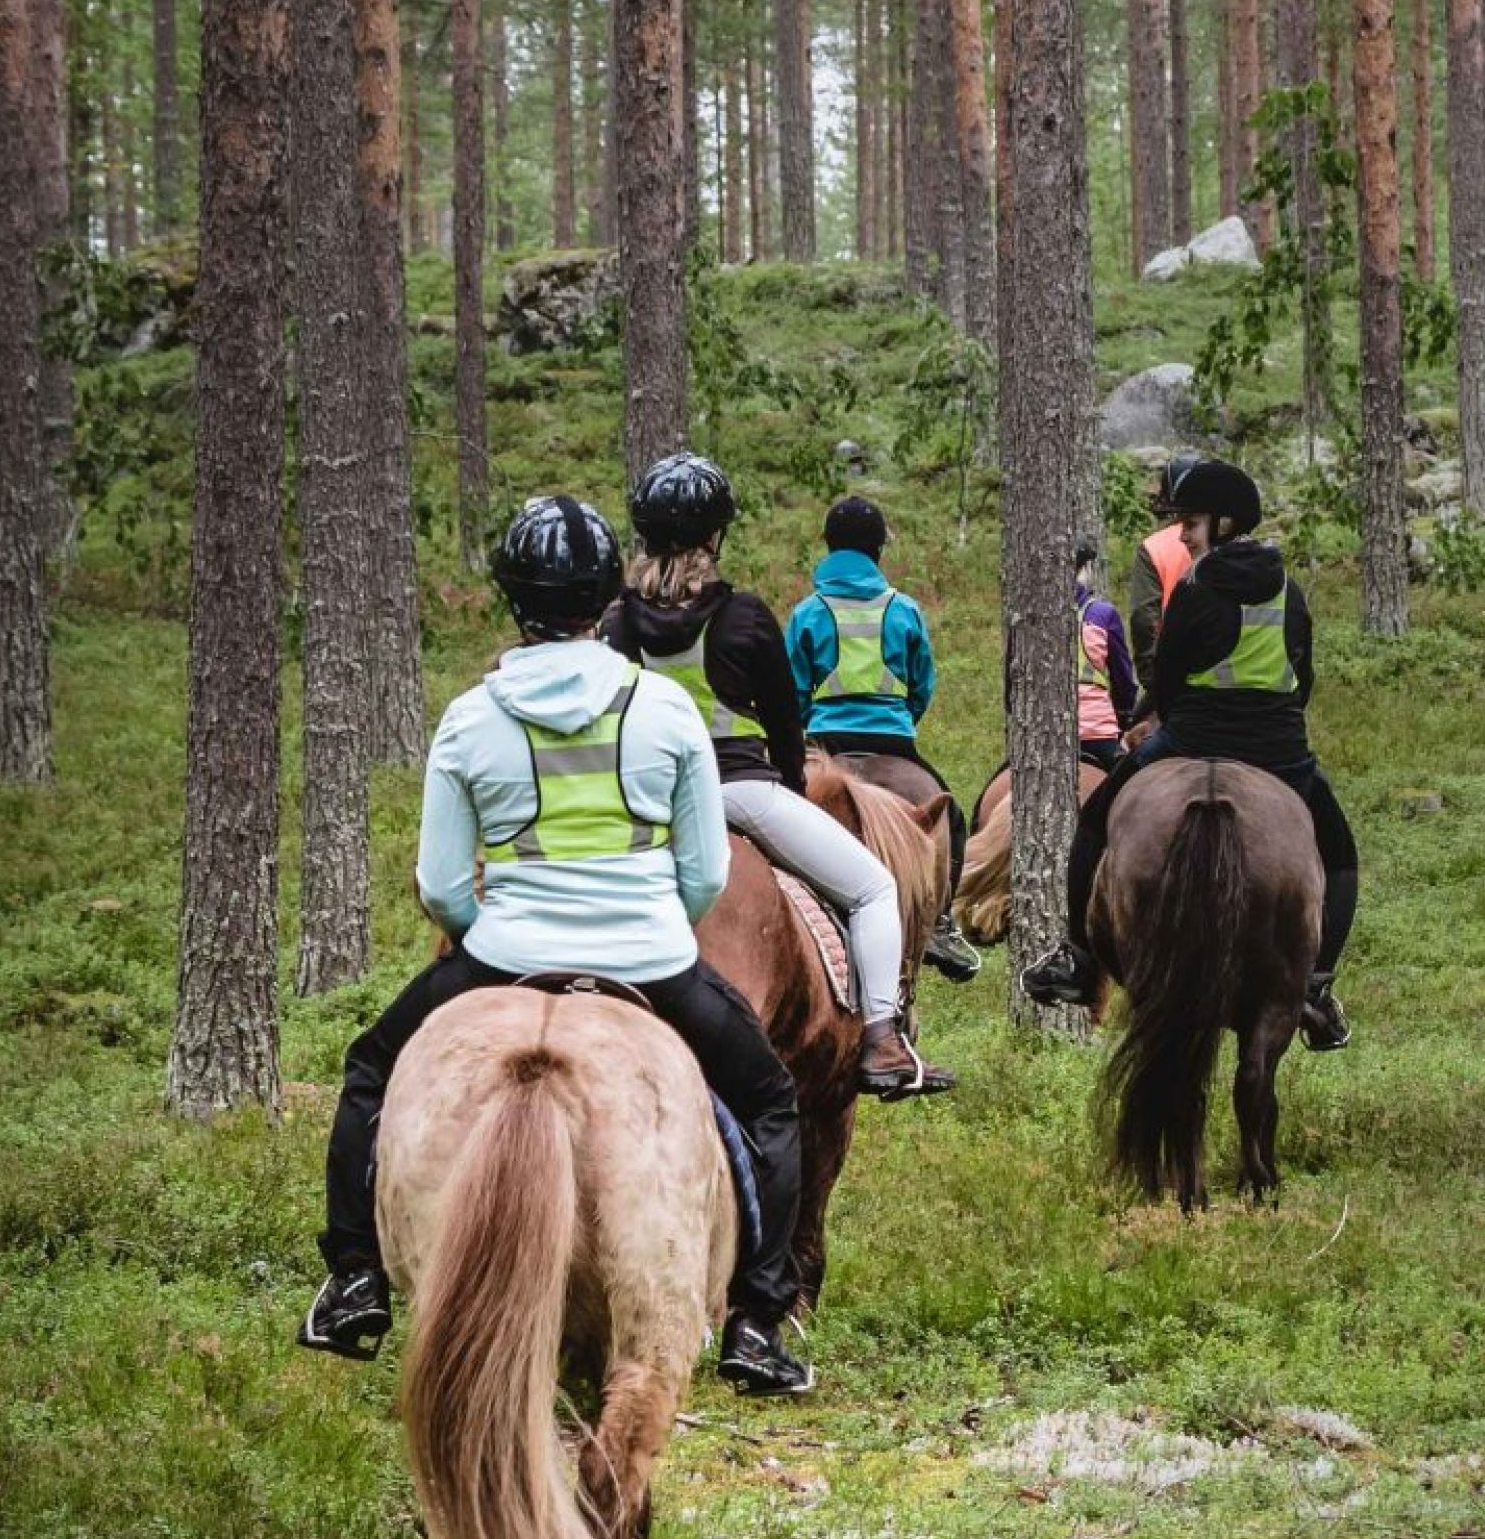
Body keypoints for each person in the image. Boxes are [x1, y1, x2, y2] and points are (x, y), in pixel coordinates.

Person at [304, 494, 816, 1397]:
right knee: (772, 1102)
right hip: (653, 961)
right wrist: (649, 922)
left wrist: (485, 941)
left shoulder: (469, 718)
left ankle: (353, 1279)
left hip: (505, 952)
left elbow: (437, 884)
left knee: (370, 1073)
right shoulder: (663, 712)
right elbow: (703, 875)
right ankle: (759, 1321)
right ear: (601, 594)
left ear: (514, 600)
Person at [600, 452, 955, 1099]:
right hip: (740, 792)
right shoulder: (742, 615)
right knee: (874, 889)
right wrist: (791, 785)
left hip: (645, 804)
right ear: (715, 537)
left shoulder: (617, 624)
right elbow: (786, 719)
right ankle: (882, 1039)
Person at [1022, 460, 1358, 1052]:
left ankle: (1078, 959)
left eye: (1192, 523)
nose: (1183, 535)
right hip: (1278, 749)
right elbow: (1303, 678)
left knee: (1096, 819)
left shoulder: (1195, 588)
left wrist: (1153, 717)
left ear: (1225, 523)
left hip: (1193, 738)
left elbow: (1170, 679)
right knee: (1340, 853)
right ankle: (1317, 985)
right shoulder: (1291, 591)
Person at [784, 496, 982, 983]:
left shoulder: (808, 612)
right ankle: (939, 922)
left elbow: (791, 687)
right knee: (950, 819)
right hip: (892, 740)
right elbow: (923, 684)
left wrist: (811, 723)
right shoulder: (903, 609)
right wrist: (900, 719)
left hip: (825, 740)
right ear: (878, 550)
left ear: (830, 548)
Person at [1125, 451, 1206, 676]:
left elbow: (1143, 619)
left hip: (1175, 673)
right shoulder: (1234, 541)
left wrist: (1152, 679)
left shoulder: (1154, 547)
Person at [1075, 541, 1140, 770]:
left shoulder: (1027, 616)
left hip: (1041, 733)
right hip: (1095, 732)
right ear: (1087, 569)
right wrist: (1125, 718)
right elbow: (1124, 681)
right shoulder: (1103, 614)